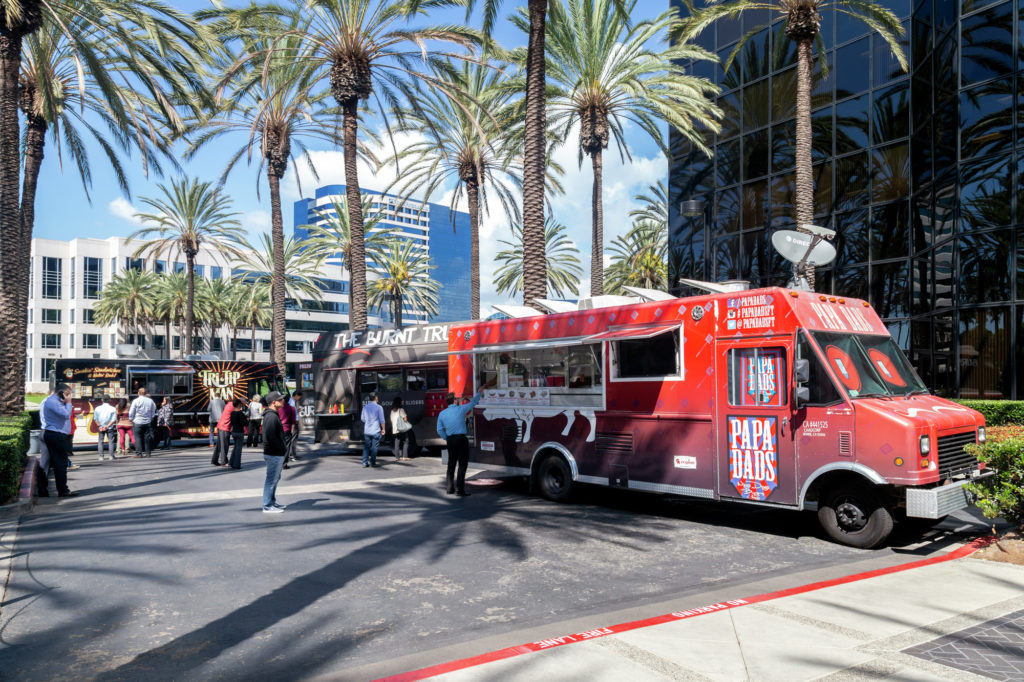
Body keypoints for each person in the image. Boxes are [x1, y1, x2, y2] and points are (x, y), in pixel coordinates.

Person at [437, 392, 482, 497]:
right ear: (454, 401)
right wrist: (480, 392)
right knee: (462, 464)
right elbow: (474, 402)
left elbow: (439, 429)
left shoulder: (442, 414)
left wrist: (446, 437)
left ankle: (449, 488)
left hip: (450, 440)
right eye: (456, 399)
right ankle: (460, 489)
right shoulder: (461, 409)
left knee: (451, 463)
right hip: (461, 439)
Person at [41, 384, 76, 498]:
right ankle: (62, 490)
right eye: (66, 394)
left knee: (49, 463)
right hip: (56, 434)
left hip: (54, 433)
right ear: (61, 392)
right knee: (60, 463)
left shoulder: (55, 401)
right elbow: (66, 415)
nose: (68, 396)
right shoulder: (52, 402)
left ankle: (48, 489)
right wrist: (69, 402)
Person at [261, 391, 288, 513]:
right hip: (274, 454)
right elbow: (270, 437)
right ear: (274, 402)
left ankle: (271, 502)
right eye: (280, 399)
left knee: (274, 479)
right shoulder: (271, 417)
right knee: (271, 480)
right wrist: (280, 449)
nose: (283, 401)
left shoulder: (272, 415)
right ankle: (267, 505)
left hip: (275, 453)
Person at [128, 387, 156, 457]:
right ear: (145, 393)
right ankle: (148, 453)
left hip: (137, 422)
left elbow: (132, 411)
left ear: (138, 393)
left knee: (138, 438)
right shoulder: (150, 401)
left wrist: (131, 418)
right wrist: (151, 417)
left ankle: (139, 453)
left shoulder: (135, 401)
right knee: (147, 438)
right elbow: (153, 410)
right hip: (147, 421)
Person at [360, 392, 386, 468]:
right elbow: (382, 420)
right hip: (376, 430)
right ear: (376, 398)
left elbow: (362, 419)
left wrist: (368, 422)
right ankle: (372, 462)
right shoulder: (379, 407)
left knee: (366, 447)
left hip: (367, 431)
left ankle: (364, 463)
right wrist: (383, 429)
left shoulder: (365, 407)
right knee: (374, 447)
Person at [212, 397, 234, 466]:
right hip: (225, 427)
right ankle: (224, 461)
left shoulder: (229, 404)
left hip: (220, 425)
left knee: (219, 445)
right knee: (224, 445)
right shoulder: (233, 407)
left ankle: (214, 460)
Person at [94, 396, 117, 461]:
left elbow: (95, 419)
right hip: (110, 427)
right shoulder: (113, 408)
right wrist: (107, 426)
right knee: (111, 441)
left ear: (102, 400)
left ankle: (101, 457)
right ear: (110, 400)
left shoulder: (97, 408)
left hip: (101, 427)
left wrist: (100, 426)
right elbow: (113, 420)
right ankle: (111, 456)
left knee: (100, 441)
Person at [390, 397, 413, 462]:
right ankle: (404, 457)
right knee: (406, 441)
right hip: (401, 429)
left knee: (397, 442)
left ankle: (397, 457)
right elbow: (405, 419)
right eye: (401, 401)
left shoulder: (392, 411)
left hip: (395, 429)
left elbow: (391, 420)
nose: (402, 401)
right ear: (399, 402)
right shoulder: (401, 410)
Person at [279, 392, 298, 469]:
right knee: (286, 446)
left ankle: (278, 463)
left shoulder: (279, 408)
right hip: (287, 429)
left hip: (279, 428)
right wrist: (292, 430)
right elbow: (293, 421)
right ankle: (284, 464)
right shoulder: (292, 408)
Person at [229, 397, 247, 469]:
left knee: (235, 447)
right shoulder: (240, 413)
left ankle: (231, 462)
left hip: (234, 432)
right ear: (239, 405)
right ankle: (236, 464)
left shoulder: (232, 413)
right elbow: (245, 423)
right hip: (240, 432)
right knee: (238, 449)